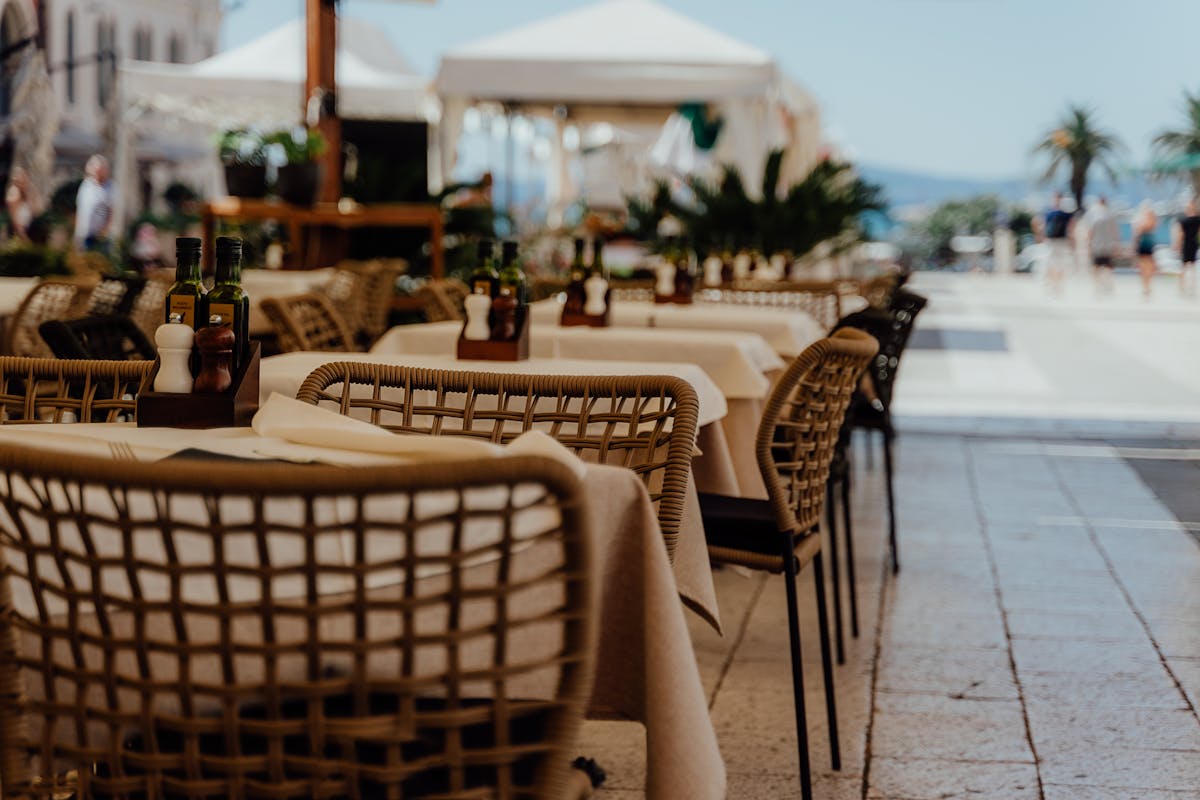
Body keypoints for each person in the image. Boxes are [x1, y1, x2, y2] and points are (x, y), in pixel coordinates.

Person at [1035, 192, 1075, 294]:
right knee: (1052, 264)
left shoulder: (1053, 213)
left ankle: (1056, 285)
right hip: (1054, 241)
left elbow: (1039, 224)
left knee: (1057, 264)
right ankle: (1055, 285)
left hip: (1058, 241)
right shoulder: (1061, 214)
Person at [74, 154, 113, 252]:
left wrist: (104, 231)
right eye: (93, 167)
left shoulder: (110, 187)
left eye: (98, 168)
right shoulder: (86, 185)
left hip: (99, 236)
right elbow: (80, 209)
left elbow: (112, 211)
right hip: (83, 233)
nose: (95, 170)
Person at [1084, 195, 1120, 296]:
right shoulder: (1110, 214)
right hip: (1108, 245)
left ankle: (1098, 286)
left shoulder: (1093, 214)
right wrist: (1117, 244)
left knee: (1096, 267)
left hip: (1097, 244)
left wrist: (1088, 244)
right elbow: (1115, 232)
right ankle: (1107, 285)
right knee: (1108, 267)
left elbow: (1090, 231)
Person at [1172, 198, 1200, 297]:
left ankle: (1184, 288)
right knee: (1190, 267)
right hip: (1192, 244)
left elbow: (1180, 234)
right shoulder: (1196, 219)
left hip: (1189, 245)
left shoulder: (1184, 220)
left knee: (1185, 267)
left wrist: (1177, 245)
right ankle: (1188, 288)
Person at [1132, 200, 1158, 299]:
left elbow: (1147, 227)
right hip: (1142, 243)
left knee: (1149, 266)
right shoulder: (1142, 218)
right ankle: (1145, 286)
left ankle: (1147, 286)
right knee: (1143, 266)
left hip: (1147, 243)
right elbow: (1137, 231)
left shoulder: (1150, 218)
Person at [5, 167, 37, 243]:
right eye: (22, 177)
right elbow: (14, 219)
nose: (25, 181)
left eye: (25, 178)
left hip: (25, 231)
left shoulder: (25, 195)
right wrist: (24, 237)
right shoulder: (14, 192)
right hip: (17, 233)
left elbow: (35, 211)